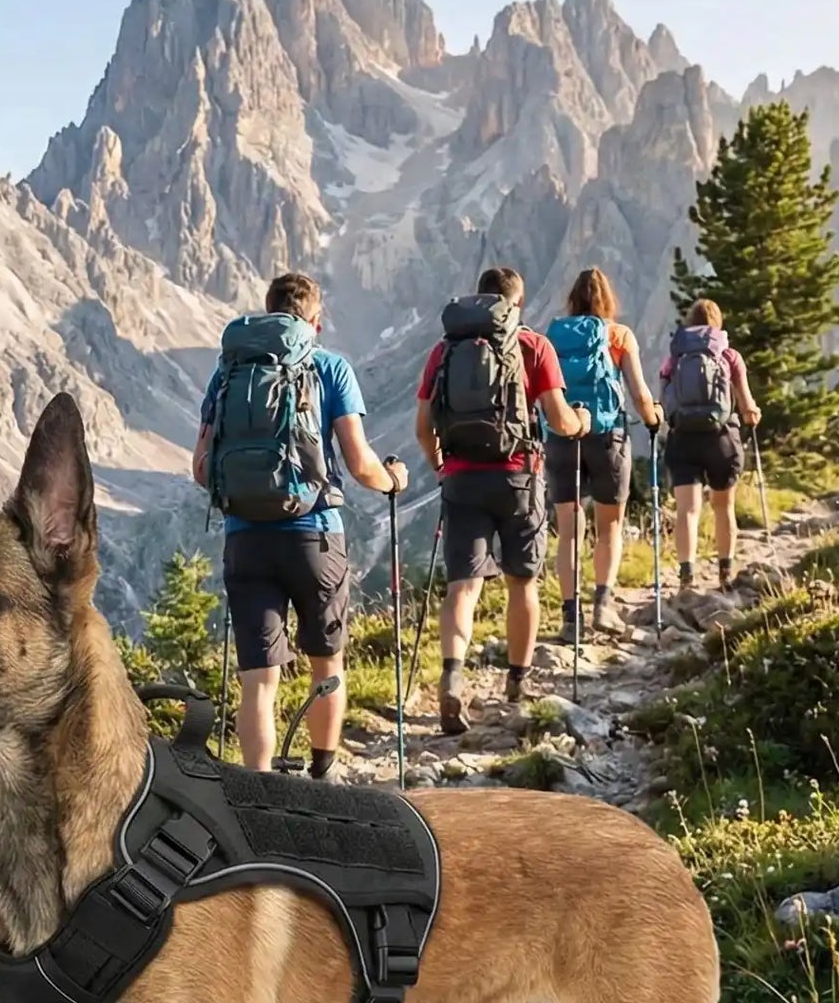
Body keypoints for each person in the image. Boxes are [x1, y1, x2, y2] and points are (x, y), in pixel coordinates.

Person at [193, 270, 407, 777]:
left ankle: (258, 789)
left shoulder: (229, 372)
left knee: (258, 679)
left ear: (268, 310)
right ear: (316, 321)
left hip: (245, 540)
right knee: (326, 663)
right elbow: (359, 463)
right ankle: (322, 775)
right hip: (315, 536)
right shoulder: (329, 366)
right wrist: (393, 480)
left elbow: (201, 467)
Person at [414, 265, 591, 736]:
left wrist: (440, 465)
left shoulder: (444, 350)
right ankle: (517, 681)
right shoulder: (533, 345)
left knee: (463, 586)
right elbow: (559, 419)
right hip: (518, 479)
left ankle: (452, 678)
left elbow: (423, 426)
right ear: (518, 302)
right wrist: (582, 422)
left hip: (461, 479)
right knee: (522, 582)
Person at [543, 267, 664, 639]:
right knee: (609, 526)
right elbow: (640, 393)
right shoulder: (619, 335)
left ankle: (570, 617)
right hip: (608, 437)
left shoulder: (553, 338)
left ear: (572, 300)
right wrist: (654, 418)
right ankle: (603, 606)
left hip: (562, 435)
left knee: (569, 529)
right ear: (608, 299)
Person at [659, 297, 762, 593]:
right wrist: (752, 414)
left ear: (689, 324)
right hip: (721, 439)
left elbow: (663, 400)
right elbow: (746, 404)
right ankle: (725, 574)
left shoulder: (674, 358)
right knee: (723, 506)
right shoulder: (729, 356)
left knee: (687, 510)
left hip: (683, 439)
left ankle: (687, 578)